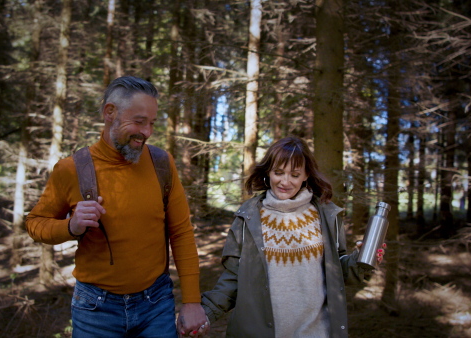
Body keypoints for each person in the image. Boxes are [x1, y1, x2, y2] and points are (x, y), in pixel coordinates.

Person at [25, 76, 207, 337]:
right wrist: (71, 226)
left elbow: (181, 232)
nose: (146, 132)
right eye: (139, 121)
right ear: (110, 112)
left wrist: (191, 301)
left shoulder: (162, 164)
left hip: (155, 305)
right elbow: (35, 223)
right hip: (95, 310)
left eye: (152, 123)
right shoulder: (72, 169)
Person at [195, 136, 386, 338]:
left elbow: (336, 272)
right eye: (279, 172)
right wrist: (203, 314)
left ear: (306, 175)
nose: (285, 181)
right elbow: (232, 279)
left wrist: (360, 260)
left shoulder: (327, 215)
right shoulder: (248, 216)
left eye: (295, 175)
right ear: (268, 171)